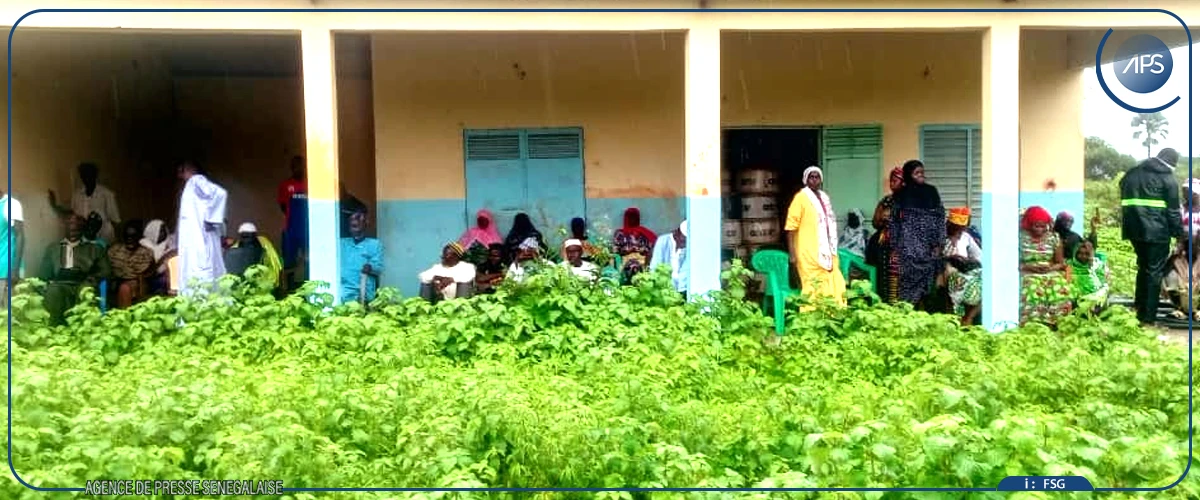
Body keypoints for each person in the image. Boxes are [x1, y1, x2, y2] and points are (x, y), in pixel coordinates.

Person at [1120, 147, 1183, 326]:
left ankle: (1139, 307)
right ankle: (1148, 318)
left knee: (1144, 267)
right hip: (1156, 232)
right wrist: (1179, 234)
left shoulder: (1132, 173)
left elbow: (1123, 192)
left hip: (1133, 230)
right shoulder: (1168, 179)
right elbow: (1173, 212)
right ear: (1172, 163)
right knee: (1154, 271)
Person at [887, 160, 945, 308]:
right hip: (908, 248)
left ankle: (925, 314)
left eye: (922, 172)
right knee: (907, 287)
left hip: (929, 247)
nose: (921, 175)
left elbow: (940, 217)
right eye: (916, 173)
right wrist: (894, 246)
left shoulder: (931, 191)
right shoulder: (900, 195)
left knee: (929, 287)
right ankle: (907, 314)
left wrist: (939, 243)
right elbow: (894, 222)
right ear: (908, 175)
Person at [784, 167, 845, 305]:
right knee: (812, 286)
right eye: (811, 177)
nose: (814, 180)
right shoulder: (800, 198)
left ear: (821, 180)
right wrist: (792, 255)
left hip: (827, 250)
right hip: (807, 252)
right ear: (806, 180)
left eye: (817, 177)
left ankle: (832, 314)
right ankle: (810, 315)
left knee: (835, 281)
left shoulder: (825, 198)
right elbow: (791, 228)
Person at [41, 215, 110, 326]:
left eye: (76, 230)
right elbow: (44, 274)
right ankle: (54, 328)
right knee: (53, 290)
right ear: (65, 229)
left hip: (84, 283)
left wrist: (90, 279)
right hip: (61, 284)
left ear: (83, 230)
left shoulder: (95, 249)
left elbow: (106, 271)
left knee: (86, 290)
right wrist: (52, 281)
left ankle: (85, 329)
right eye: (70, 230)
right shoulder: (53, 248)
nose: (73, 233)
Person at [176, 160, 229, 296]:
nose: (178, 176)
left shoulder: (196, 180)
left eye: (180, 171)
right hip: (195, 240)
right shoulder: (191, 185)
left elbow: (219, 194)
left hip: (200, 239)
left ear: (186, 170)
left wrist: (211, 219)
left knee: (201, 273)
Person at [1019, 206, 1074, 326]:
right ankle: (1035, 324)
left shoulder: (1053, 238)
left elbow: (1060, 263)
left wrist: (1050, 268)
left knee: (1059, 287)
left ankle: (1061, 323)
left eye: (1043, 226)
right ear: (1029, 224)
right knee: (1033, 289)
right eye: (1036, 226)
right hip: (1028, 272)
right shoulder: (1020, 238)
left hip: (1050, 272)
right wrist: (1030, 267)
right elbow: (1013, 262)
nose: (1040, 229)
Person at [49, 162, 121, 243]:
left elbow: (115, 220)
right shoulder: (77, 194)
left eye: (89, 174)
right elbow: (72, 213)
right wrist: (54, 205)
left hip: (104, 237)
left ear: (95, 175)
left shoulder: (106, 194)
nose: (86, 178)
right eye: (83, 175)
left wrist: (118, 242)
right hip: (85, 238)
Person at [867, 166, 904, 299]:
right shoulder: (885, 200)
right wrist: (883, 220)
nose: (891, 184)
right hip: (884, 240)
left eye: (895, 181)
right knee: (881, 271)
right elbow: (875, 222)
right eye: (891, 181)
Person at [942, 207, 982, 326]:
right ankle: (956, 317)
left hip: (966, 269)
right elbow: (936, 256)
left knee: (986, 281)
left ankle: (969, 317)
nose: (960, 229)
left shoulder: (966, 237)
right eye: (957, 227)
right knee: (954, 276)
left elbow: (980, 256)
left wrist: (968, 260)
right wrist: (951, 257)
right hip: (949, 268)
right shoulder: (942, 236)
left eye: (962, 227)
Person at [339, 208, 383, 304]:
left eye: (359, 219)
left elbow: (379, 268)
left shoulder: (374, 244)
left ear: (366, 223)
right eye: (352, 221)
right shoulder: (341, 243)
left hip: (364, 292)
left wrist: (370, 267)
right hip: (343, 291)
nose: (355, 222)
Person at [107, 221, 155, 308]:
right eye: (127, 236)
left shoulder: (146, 253)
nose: (130, 239)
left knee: (124, 288)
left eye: (133, 236)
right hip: (115, 280)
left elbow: (142, 272)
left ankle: (124, 315)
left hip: (136, 282)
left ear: (139, 237)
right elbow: (107, 267)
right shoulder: (114, 250)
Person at [278, 156, 308, 289]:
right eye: (296, 166)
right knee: (289, 261)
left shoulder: (310, 184)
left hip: (308, 229)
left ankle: (309, 288)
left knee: (309, 260)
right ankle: (289, 290)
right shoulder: (285, 185)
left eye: (301, 166)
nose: (298, 169)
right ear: (292, 168)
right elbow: (283, 206)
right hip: (291, 229)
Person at [224, 223, 283, 288]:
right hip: (249, 283)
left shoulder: (263, 242)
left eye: (249, 235)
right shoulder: (234, 250)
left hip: (263, 279)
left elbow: (272, 260)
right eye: (245, 236)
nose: (248, 239)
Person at [613, 207, 657, 283]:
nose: (632, 219)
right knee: (633, 266)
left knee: (638, 267)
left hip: (642, 259)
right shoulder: (620, 233)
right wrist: (628, 250)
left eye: (634, 217)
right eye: (630, 217)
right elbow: (615, 250)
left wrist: (639, 250)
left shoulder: (643, 233)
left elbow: (649, 247)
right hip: (626, 260)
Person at [1069, 240, 1111, 310]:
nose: (1083, 256)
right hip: (1075, 297)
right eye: (1080, 253)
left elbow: (1105, 283)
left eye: (1087, 254)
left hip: (1095, 297)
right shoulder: (1069, 265)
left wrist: (1091, 266)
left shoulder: (1098, 265)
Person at [139, 219, 176, 296]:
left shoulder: (170, 242)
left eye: (164, 230)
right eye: (160, 231)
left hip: (168, 275)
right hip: (152, 277)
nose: (163, 233)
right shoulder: (144, 244)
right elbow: (151, 269)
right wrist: (166, 255)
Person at [649, 222, 688, 294]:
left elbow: (684, 273)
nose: (684, 242)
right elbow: (654, 265)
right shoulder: (662, 240)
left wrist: (680, 292)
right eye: (683, 239)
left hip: (682, 288)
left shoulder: (690, 247)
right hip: (663, 285)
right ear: (677, 233)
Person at [1, 189, 24, 304]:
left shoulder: (10, 204)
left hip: (5, 271)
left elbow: (20, 235)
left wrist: (15, 270)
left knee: (6, 311)